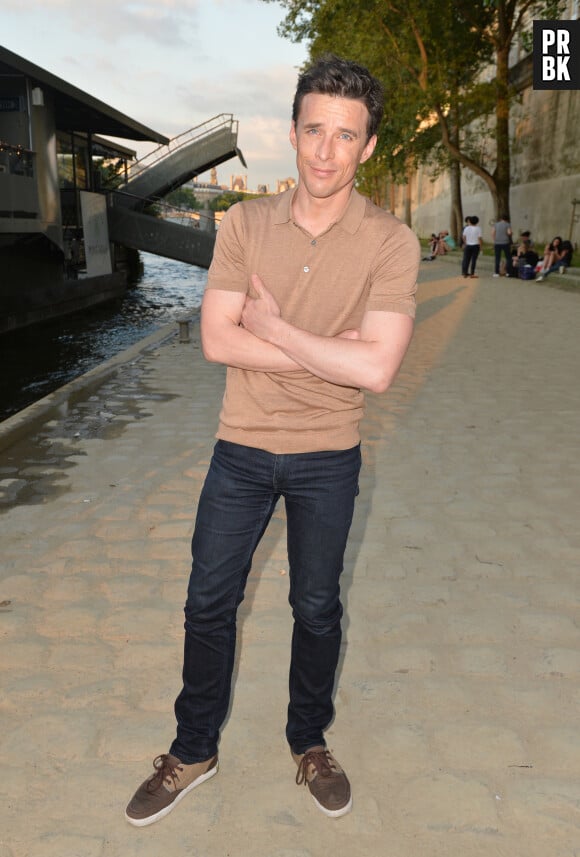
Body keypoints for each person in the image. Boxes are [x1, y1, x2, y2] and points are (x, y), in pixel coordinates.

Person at [125, 54, 419, 828]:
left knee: (317, 605)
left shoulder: (392, 243)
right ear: (293, 132)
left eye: (345, 135)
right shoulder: (244, 224)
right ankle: (193, 749)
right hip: (242, 446)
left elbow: (380, 369)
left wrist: (277, 326)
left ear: (369, 148)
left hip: (331, 453)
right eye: (314, 129)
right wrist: (332, 348)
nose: (326, 150)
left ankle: (308, 740)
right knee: (206, 601)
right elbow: (218, 343)